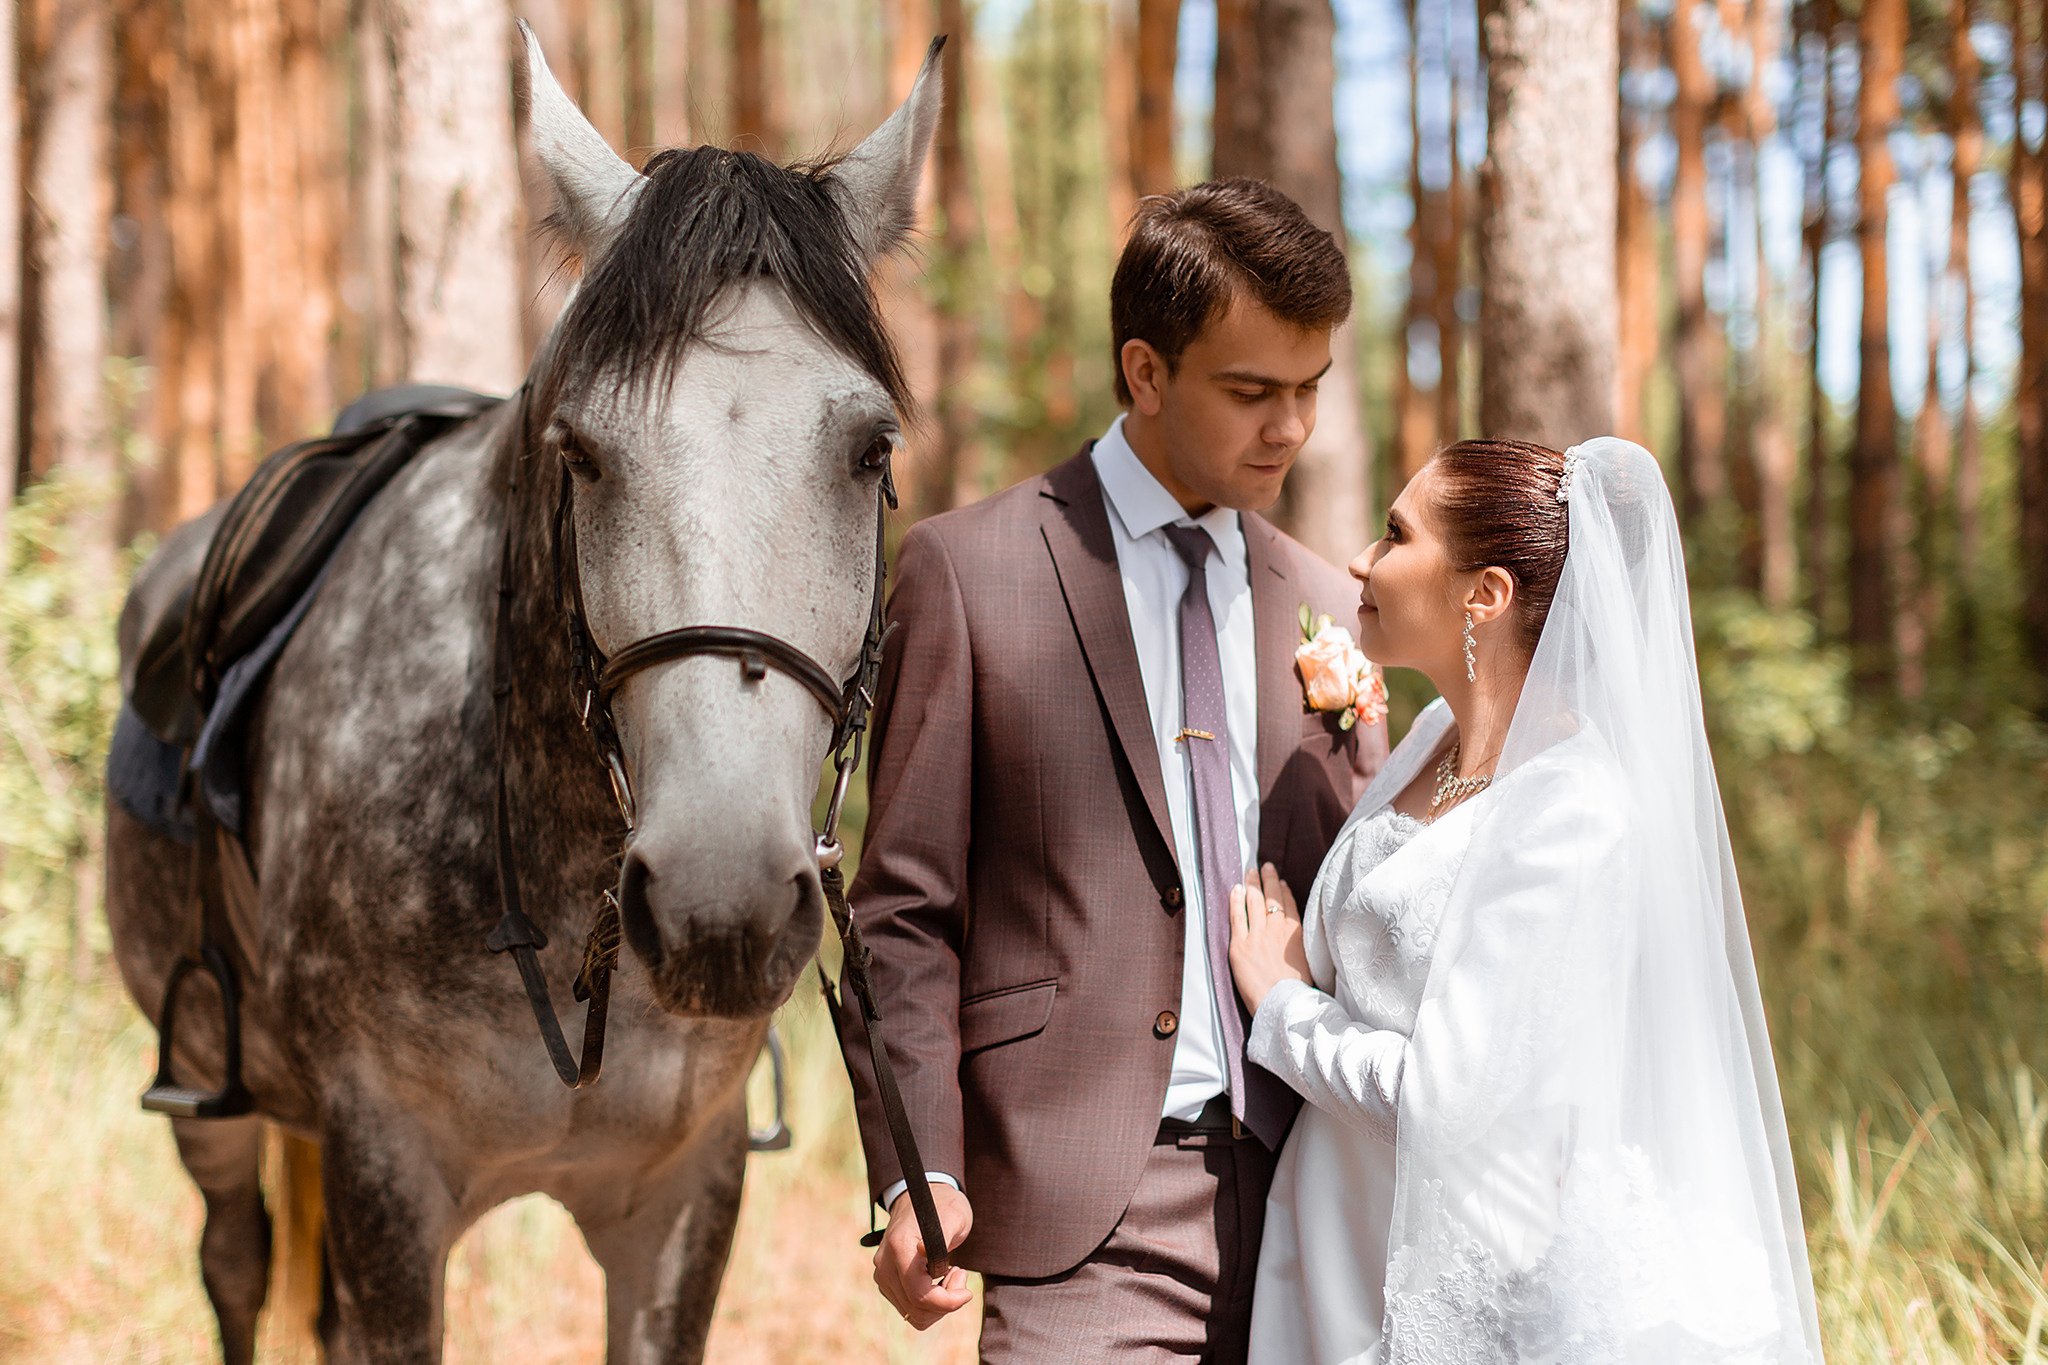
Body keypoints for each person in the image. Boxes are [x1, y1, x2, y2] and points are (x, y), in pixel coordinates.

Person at [840, 178, 1388, 1362]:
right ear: (1144, 373)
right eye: (1250, 392)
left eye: (1307, 390)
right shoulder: (967, 571)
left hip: (1317, 1195)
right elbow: (901, 913)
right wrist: (914, 1170)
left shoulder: (1332, 607)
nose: (1288, 427)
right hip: (1085, 1214)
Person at [1225, 436, 1826, 1363]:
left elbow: (1443, 1102)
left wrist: (1283, 1006)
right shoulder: (1431, 732)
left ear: (1486, 593)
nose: (1360, 560)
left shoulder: (1572, 810)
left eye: (1395, 535)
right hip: (1330, 1230)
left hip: (1444, 1264)